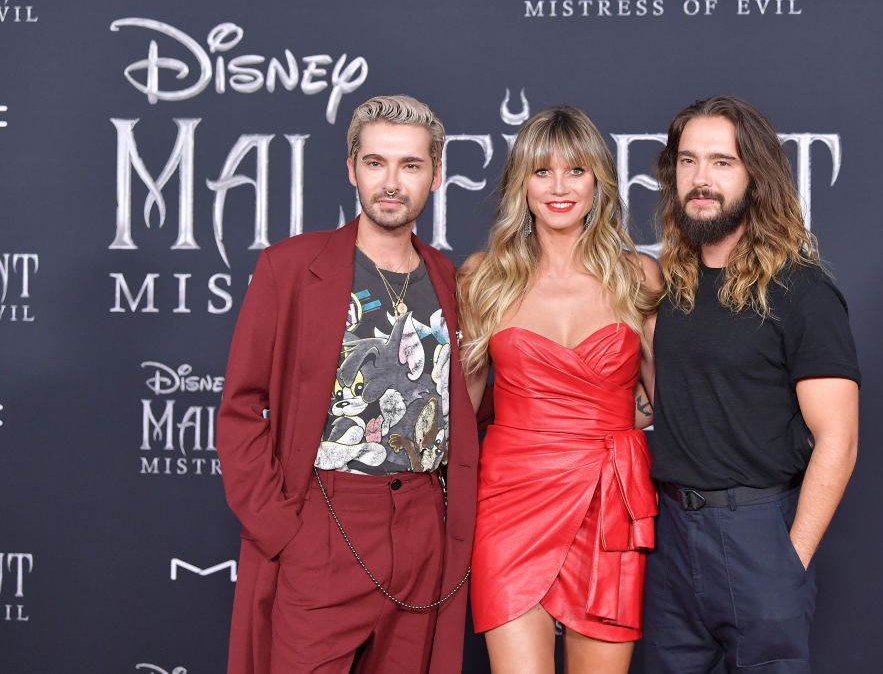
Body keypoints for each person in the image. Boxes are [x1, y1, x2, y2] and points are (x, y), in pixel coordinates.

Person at [216, 94, 478, 674]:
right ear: (352, 168)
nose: (392, 182)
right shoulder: (290, 267)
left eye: (410, 165)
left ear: (436, 175)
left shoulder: (451, 280)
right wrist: (285, 530)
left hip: (421, 529)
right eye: (376, 162)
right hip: (324, 522)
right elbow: (241, 408)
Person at [640, 95, 860, 673]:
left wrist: (790, 561)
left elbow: (838, 438)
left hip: (758, 534)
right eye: (688, 161)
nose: (701, 178)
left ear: (756, 177)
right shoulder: (672, 286)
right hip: (668, 539)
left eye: (721, 162)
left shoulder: (802, 290)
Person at [458, 105, 663, 673]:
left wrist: (611, 422)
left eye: (575, 170)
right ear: (520, 184)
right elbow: (462, 409)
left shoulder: (638, 275)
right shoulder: (484, 277)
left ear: (599, 180)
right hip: (509, 504)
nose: (559, 187)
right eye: (541, 171)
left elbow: (669, 398)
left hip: (608, 505)